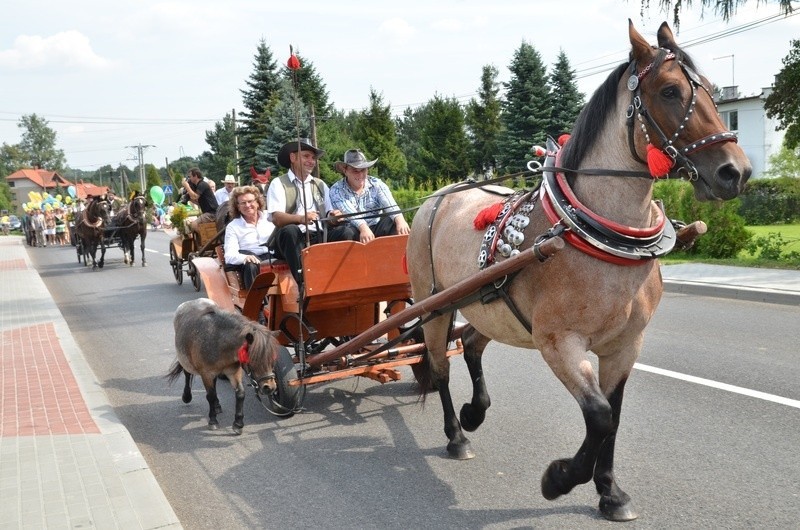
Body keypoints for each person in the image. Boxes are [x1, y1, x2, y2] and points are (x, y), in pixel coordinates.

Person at [266, 138, 356, 287]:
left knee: (347, 231)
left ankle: (346, 280)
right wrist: (301, 218)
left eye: (313, 158)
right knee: (291, 231)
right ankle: (305, 285)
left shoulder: (319, 184)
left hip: (318, 235)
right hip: (290, 240)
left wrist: (333, 217)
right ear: (293, 158)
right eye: (306, 156)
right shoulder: (279, 183)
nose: (311, 161)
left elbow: (328, 214)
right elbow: (276, 218)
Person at [329, 149, 410, 244]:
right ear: (345, 171)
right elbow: (348, 210)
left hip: (375, 227)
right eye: (355, 171)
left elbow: (390, 204)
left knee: (393, 221)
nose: (360, 174)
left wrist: (400, 220)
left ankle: (396, 256)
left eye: (363, 170)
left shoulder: (377, 184)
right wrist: (363, 228)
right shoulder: (336, 189)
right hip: (352, 231)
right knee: (346, 232)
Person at [224, 186, 276, 290]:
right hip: (251, 261)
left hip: (273, 255)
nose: (247, 205)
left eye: (250, 201)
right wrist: (245, 258)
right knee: (251, 265)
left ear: (257, 202)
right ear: (237, 206)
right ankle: (257, 303)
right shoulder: (233, 226)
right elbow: (229, 255)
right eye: (243, 203)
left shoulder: (270, 218)